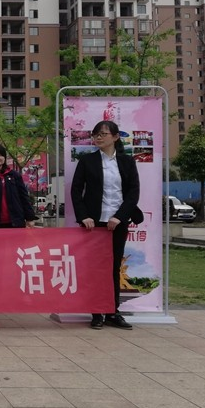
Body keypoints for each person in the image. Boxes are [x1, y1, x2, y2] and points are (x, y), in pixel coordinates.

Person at [70, 120, 141, 331]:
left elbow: (133, 193)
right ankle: (96, 312)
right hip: (94, 224)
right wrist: (84, 216)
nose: (98, 137)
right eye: (96, 134)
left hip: (117, 223)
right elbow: (76, 191)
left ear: (116, 137)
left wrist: (119, 217)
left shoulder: (127, 162)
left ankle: (112, 311)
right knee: (94, 268)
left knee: (113, 267)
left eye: (103, 134)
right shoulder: (87, 161)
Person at [0, 143, 37, 229]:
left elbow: (24, 197)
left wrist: (30, 218)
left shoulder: (14, 175)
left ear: (4, 157)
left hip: (15, 223)